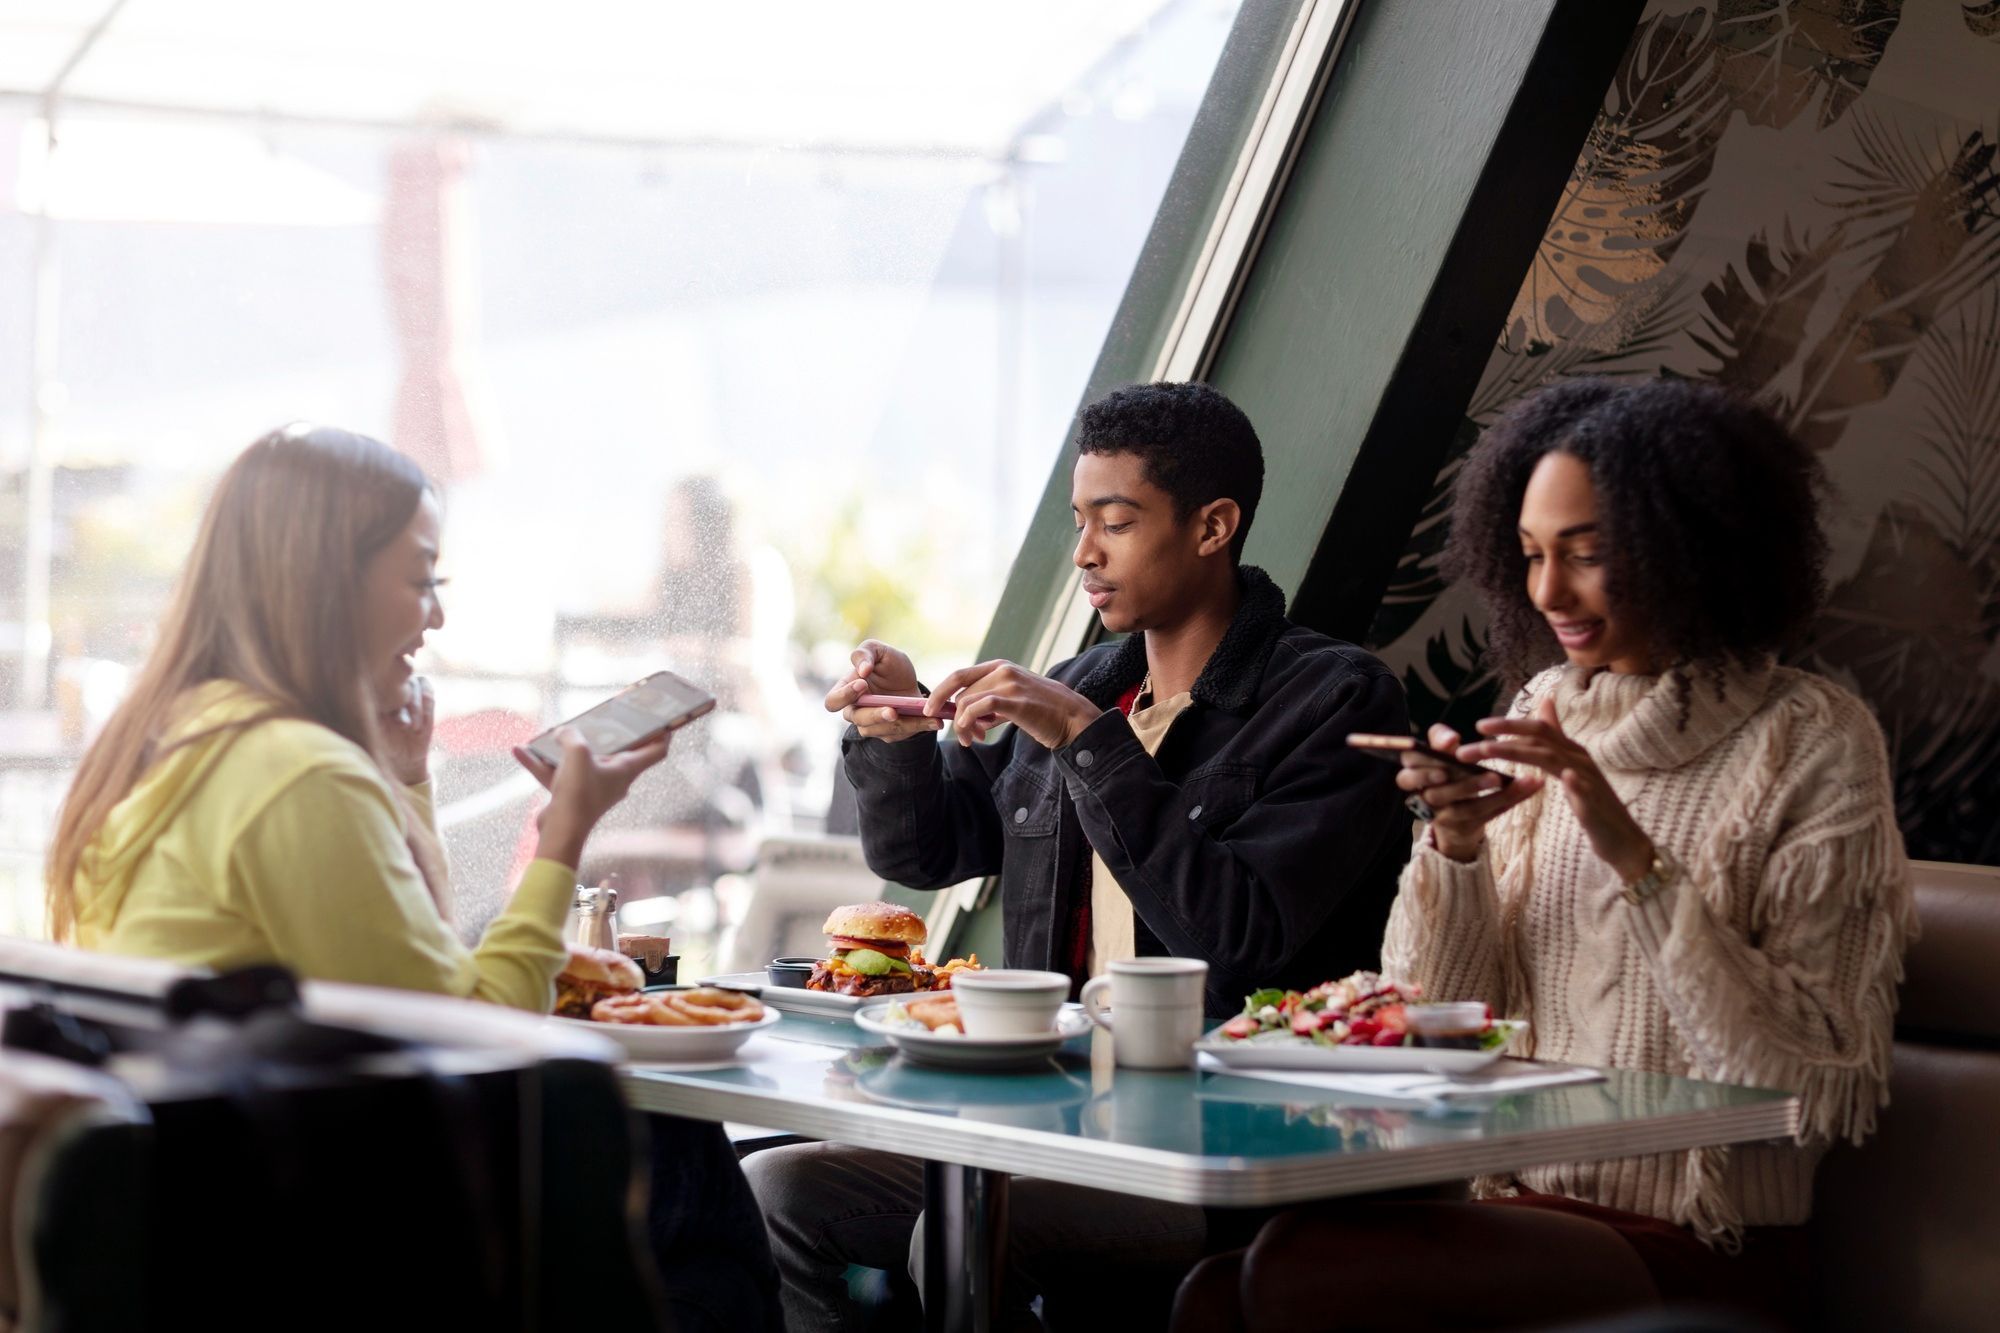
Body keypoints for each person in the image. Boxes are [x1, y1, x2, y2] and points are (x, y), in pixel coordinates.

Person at [1173, 378, 1916, 1332]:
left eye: (1587, 553)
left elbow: (1806, 1079)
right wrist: (1459, 846)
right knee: (1210, 1294)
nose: (1548, 592)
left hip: (1701, 1239)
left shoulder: (1810, 741)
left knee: (1292, 1272)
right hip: (1508, 1205)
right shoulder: (1539, 711)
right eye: (1528, 555)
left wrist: (1628, 847)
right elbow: (1434, 1015)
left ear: (1692, 545)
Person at [47, 423, 781, 1333]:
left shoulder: (174, 741)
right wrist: (564, 837)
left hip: (224, 1204)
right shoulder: (302, 775)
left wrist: (405, 778)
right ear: (331, 584)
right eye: (421, 578)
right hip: (338, 1232)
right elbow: (476, 1032)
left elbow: (417, 972)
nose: (436, 616)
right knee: (692, 1175)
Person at [746, 381, 1411, 1330]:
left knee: (969, 1232)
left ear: (1214, 525)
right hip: (1058, 1117)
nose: (1086, 553)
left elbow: (1246, 934)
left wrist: (1088, 739)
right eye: (1078, 519)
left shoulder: (1334, 701)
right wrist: (894, 737)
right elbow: (926, 850)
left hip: (1236, 1150)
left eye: (1117, 521)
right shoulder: (1088, 683)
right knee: (779, 1188)